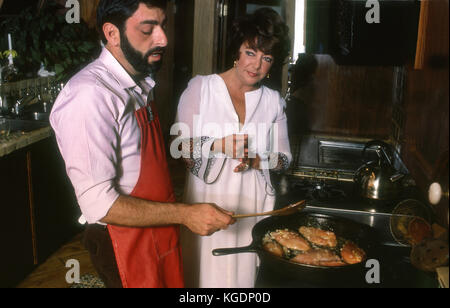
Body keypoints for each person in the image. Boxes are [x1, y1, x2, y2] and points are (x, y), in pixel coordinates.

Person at [50, 0, 234, 288]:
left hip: (157, 228)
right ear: (112, 34)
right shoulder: (89, 96)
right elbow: (100, 204)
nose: (163, 39)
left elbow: (138, 160)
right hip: (123, 240)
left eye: (163, 26)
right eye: (148, 29)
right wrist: (186, 214)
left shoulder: (139, 83)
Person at [173, 8, 292, 288]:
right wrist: (218, 145)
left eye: (267, 58)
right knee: (200, 277)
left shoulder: (274, 101)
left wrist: (256, 161)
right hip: (206, 199)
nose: (256, 65)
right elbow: (179, 149)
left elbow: (285, 160)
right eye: (250, 52)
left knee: (241, 280)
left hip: (252, 204)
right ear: (236, 52)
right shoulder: (200, 89)